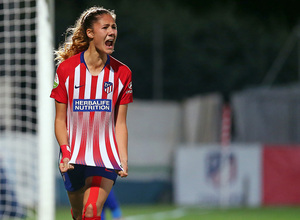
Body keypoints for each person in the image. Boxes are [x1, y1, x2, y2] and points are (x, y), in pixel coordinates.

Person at [50, 6, 133, 220]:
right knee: (79, 215)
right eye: (105, 27)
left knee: (91, 211)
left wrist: (122, 156)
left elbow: (120, 123)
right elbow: (60, 120)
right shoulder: (66, 70)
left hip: (104, 156)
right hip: (73, 157)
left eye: (114, 27)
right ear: (90, 33)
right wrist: (65, 151)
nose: (112, 32)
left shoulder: (122, 73)